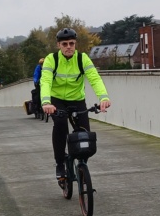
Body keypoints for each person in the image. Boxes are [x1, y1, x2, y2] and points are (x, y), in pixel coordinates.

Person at [40, 28, 111, 181]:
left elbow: (95, 78)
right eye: (64, 44)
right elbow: (45, 81)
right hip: (56, 100)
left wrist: (103, 97)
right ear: (59, 45)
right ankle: (60, 163)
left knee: (85, 135)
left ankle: (82, 164)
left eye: (71, 43)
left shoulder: (82, 58)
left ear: (75, 44)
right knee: (60, 125)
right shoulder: (51, 59)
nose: (68, 47)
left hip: (77, 100)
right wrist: (46, 102)